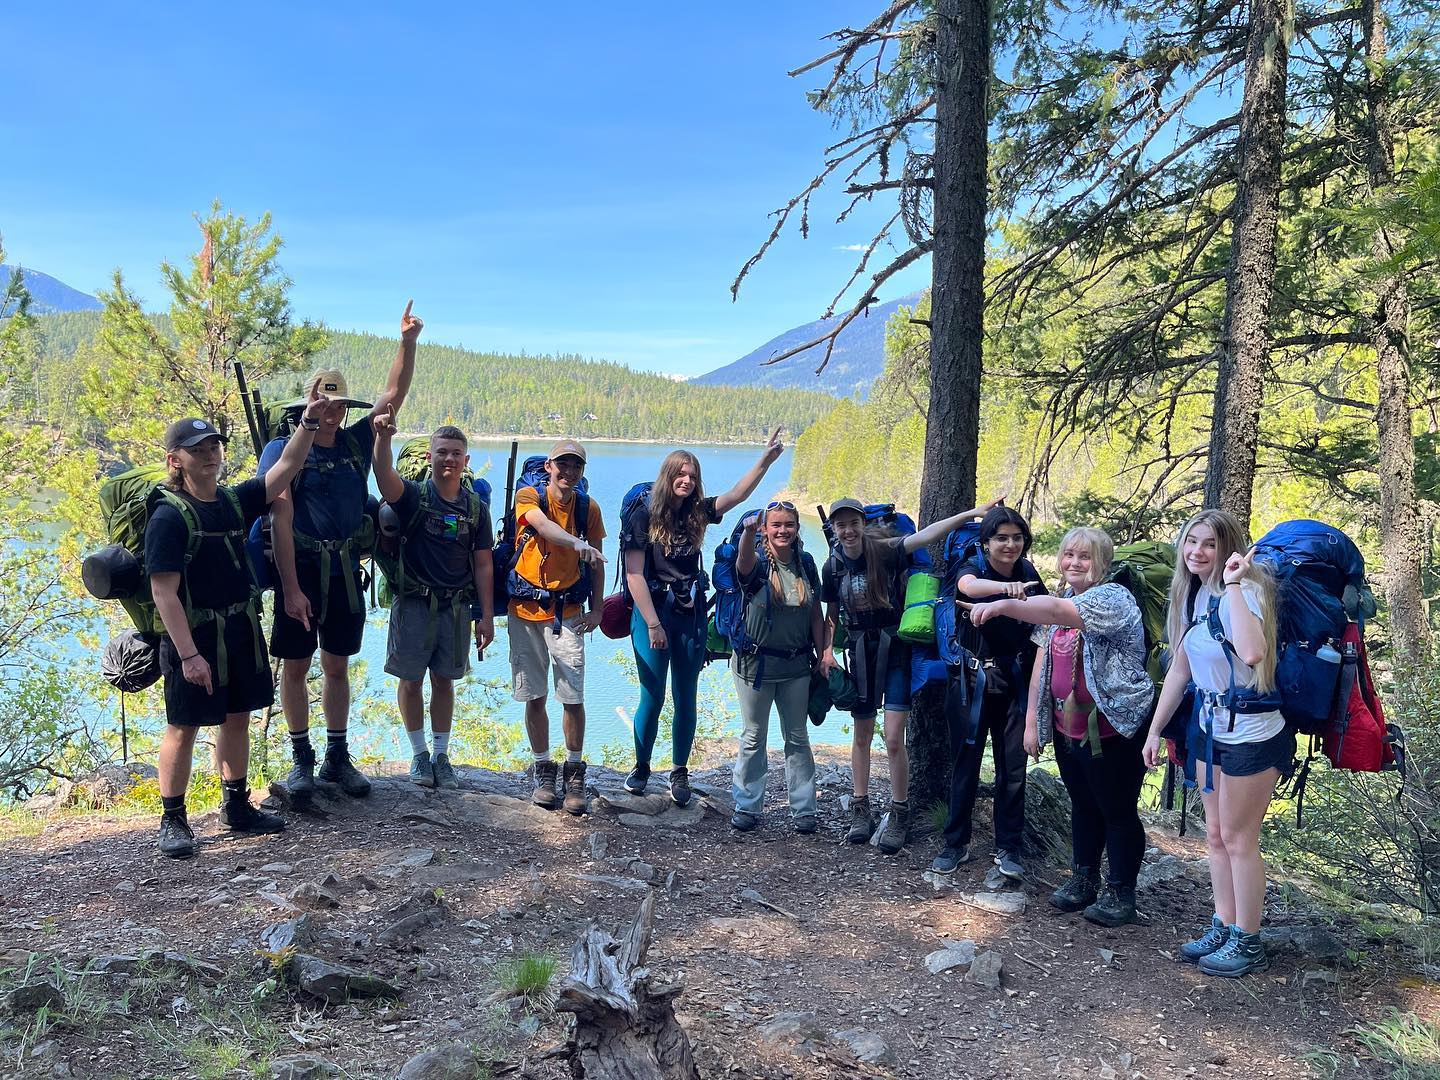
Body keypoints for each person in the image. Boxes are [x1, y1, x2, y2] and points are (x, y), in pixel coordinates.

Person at [146, 395, 329, 858]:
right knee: (184, 725)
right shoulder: (168, 515)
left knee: (237, 717)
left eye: (214, 446)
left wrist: (308, 421)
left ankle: (236, 806)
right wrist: (188, 655)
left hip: (240, 630)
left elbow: (285, 468)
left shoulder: (231, 502)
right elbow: (164, 592)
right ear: (175, 460)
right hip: (194, 636)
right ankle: (173, 819)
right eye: (197, 448)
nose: (210, 454)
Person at [265, 301, 423, 803]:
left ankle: (336, 755)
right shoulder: (284, 450)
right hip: (303, 568)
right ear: (307, 404)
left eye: (338, 406)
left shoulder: (355, 444)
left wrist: (406, 343)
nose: (332, 413)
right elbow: (280, 519)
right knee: (295, 665)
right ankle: (300, 759)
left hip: (343, 572)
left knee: (337, 666)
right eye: (323, 405)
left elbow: (393, 395)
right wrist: (289, 588)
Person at [970, 526, 1153, 925]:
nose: (1074, 563)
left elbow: (1053, 613)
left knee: (1117, 809)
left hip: (1115, 726)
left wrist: (1002, 604)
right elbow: (1041, 661)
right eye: (1068, 555)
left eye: (1084, 557)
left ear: (1102, 563)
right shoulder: (1065, 596)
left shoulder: (1113, 599)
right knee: (1084, 803)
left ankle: (1121, 893)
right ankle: (1083, 879)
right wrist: (1034, 721)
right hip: (1069, 724)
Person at [1143, 510, 1287, 978]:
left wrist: (1238, 586)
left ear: (1228, 548)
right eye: (1190, 542)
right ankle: (1223, 924)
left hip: (1251, 732)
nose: (1196, 553)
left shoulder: (1248, 591)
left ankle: (1248, 939)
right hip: (1208, 729)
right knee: (1216, 835)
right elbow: (1181, 671)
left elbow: (1252, 653)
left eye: (1207, 544)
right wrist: (1154, 730)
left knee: (1240, 838)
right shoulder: (1195, 595)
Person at [819, 496, 1002, 853]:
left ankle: (899, 812)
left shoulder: (885, 550)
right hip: (860, 652)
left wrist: (971, 512)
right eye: (841, 525)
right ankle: (861, 810)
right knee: (861, 734)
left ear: (862, 524)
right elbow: (831, 612)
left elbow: (928, 535)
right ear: (835, 529)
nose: (847, 530)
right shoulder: (833, 565)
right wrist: (826, 650)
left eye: (852, 523)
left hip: (896, 650)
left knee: (891, 738)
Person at [622, 431, 786, 806]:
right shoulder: (643, 514)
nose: (687, 481)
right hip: (653, 612)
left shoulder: (697, 512)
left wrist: (766, 460)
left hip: (690, 612)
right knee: (652, 695)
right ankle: (642, 766)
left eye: (693, 476)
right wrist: (652, 623)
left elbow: (737, 495)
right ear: (668, 476)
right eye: (681, 474)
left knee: (686, 695)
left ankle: (679, 771)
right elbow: (634, 575)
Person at [373, 410, 496, 790]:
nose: (449, 459)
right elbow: (384, 477)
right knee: (411, 681)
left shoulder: (476, 508)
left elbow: (483, 565)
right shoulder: (413, 498)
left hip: (455, 607)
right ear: (430, 456)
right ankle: (419, 754)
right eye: (442, 452)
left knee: (445, 681)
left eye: (456, 453)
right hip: (413, 604)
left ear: (465, 460)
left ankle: (442, 756)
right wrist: (382, 439)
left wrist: (486, 616)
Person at [932, 505, 1048, 880]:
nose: (1010, 545)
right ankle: (955, 843)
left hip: (1014, 681)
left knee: (1012, 768)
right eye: (1001, 538)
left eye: (1017, 538)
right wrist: (1005, 591)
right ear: (986, 543)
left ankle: (1008, 847)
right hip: (971, 681)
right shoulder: (973, 569)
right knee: (964, 764)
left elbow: (1047, 617)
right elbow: (968, 588)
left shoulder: (1029, 574)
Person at [509, 440, 607, 815]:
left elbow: (597, 562)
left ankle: (574, 770)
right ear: (549, 466)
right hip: (525, 611)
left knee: (572, 696)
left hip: (568, 613)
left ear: (582, 472)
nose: (568, 472)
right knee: (534, 695)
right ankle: (543, 769)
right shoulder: (529, 496)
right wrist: (576, 544)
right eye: (562, 465)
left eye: (575, 467)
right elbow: (542, 527)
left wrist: (597, 610)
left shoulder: (588, 508)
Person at [730, 501, 827, 834]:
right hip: (754, 665)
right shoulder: (756, 566)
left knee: (797, 736)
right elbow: (742, 561)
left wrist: (823, 655)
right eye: (776, 525)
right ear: (765, 530)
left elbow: (816, 614)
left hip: (797, 666)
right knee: (754, 737)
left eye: (789, 525)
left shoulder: (806, 565)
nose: (783, 531)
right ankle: (746, 805)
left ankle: (804, 809)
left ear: (797, 529)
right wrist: (746, 532)